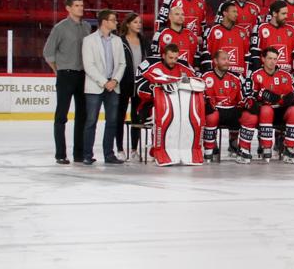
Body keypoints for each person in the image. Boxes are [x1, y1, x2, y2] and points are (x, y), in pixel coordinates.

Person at [138, 43, 205, 166]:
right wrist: (156, 87)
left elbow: (198, 81)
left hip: (182, 105)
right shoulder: (151, 66)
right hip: (153, 105)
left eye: (175, 58)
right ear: (163, 55)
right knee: (160, 115)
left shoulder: (184, 66)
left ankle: (187, 150)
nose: (174, 61)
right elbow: (139, 87)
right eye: (170, 58)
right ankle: (158, 148)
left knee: (190, 117)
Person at [43, 0, 89, 165]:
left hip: (82, 75)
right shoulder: (60, 28)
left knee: (82, 115)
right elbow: (48, 52)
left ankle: (79, 153)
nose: (80, 8)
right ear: (68, 8)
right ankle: (60, 154)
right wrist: (58, 70)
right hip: (65, 74)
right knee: (61, 115)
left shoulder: (86, 27)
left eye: (82, 5)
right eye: (77, 5)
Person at [241, 46, 294, 163]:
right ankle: (266, 147)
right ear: (263, 59)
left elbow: (293, 94)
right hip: (264, 112)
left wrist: (290, 98)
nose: (272, 62)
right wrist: (260, 95)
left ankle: (289, 148)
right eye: (269, 58)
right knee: (266, 110)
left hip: (282, 110)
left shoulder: (287, 76)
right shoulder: (254, 75)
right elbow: (248, 96)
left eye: (275, 59)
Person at [81, 9, 126, 165]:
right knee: (91, 121)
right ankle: (87, 154)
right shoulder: (89, 40)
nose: (116, 22)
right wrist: (104, 82)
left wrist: (114, 80)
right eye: (113, 20)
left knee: (112, 121)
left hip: (113, 86)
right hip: (95, 86)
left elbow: (122, 63)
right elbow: (89, 65)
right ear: (104, 22)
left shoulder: (117, 41)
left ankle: (109, 154)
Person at [201, 49, 248, 162]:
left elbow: (243, 98)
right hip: (214, 110)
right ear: (215, 61)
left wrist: (247, 103)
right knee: (211, 116)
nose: (227, 62)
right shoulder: (205, 76)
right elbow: (200, 98)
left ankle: (237, 145)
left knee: (247, 115)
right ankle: (210, 148)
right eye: (223, 59)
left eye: (228, 59)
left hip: (231, 110)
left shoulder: (236, 77)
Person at [115, 12, 148, 160]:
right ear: (127, 24)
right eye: (135, 22)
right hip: (123, 83)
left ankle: (134, 149)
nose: (138, 24)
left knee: (137, 117)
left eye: (140, 22)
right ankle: (120, 149)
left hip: (139, 84)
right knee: (119, 116)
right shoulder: (119, 41)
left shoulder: (144, 41)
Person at [199, 1, 251, 75]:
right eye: (234, 12)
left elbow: (247, 55)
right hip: (219, 75)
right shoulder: (213, 30)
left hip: (238, 76)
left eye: (237, 12)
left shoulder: (243, 31)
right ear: (225, 13)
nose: (236, 14)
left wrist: (245, 76)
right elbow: (206, 54)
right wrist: (210, 73)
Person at [251, 0, 294, 73]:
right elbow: (255, 54)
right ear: (274, 13)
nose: (286, 16)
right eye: (283, 13)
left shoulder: (291, 29)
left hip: (286, 75)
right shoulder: (260, 28)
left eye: (286, 13)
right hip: (267, 74)